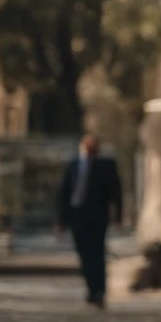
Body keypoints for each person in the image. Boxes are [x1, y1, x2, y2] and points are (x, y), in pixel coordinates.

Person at [57, 132, 123, 309]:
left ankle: (99, 291)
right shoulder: (73, 165)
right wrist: (61, 221)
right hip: (77, 216)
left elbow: (116, 192)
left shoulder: (106, 165)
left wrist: (118, 217)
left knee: (97, 253)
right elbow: (64, 194)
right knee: (83, 253)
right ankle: (91, 287)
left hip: (98, 216)